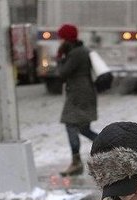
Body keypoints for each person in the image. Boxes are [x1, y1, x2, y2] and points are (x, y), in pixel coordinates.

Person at [56, 23, 99, 176]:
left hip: (79, 95)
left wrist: (59, 59)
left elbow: (63, 72)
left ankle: (76, 162)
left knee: (71, 125)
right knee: (83, 128)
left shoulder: (76, 53)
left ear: (67, 39)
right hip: (82, 93)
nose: (59, 41)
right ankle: (109, 146)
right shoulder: (79, 51)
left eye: (61, 38)